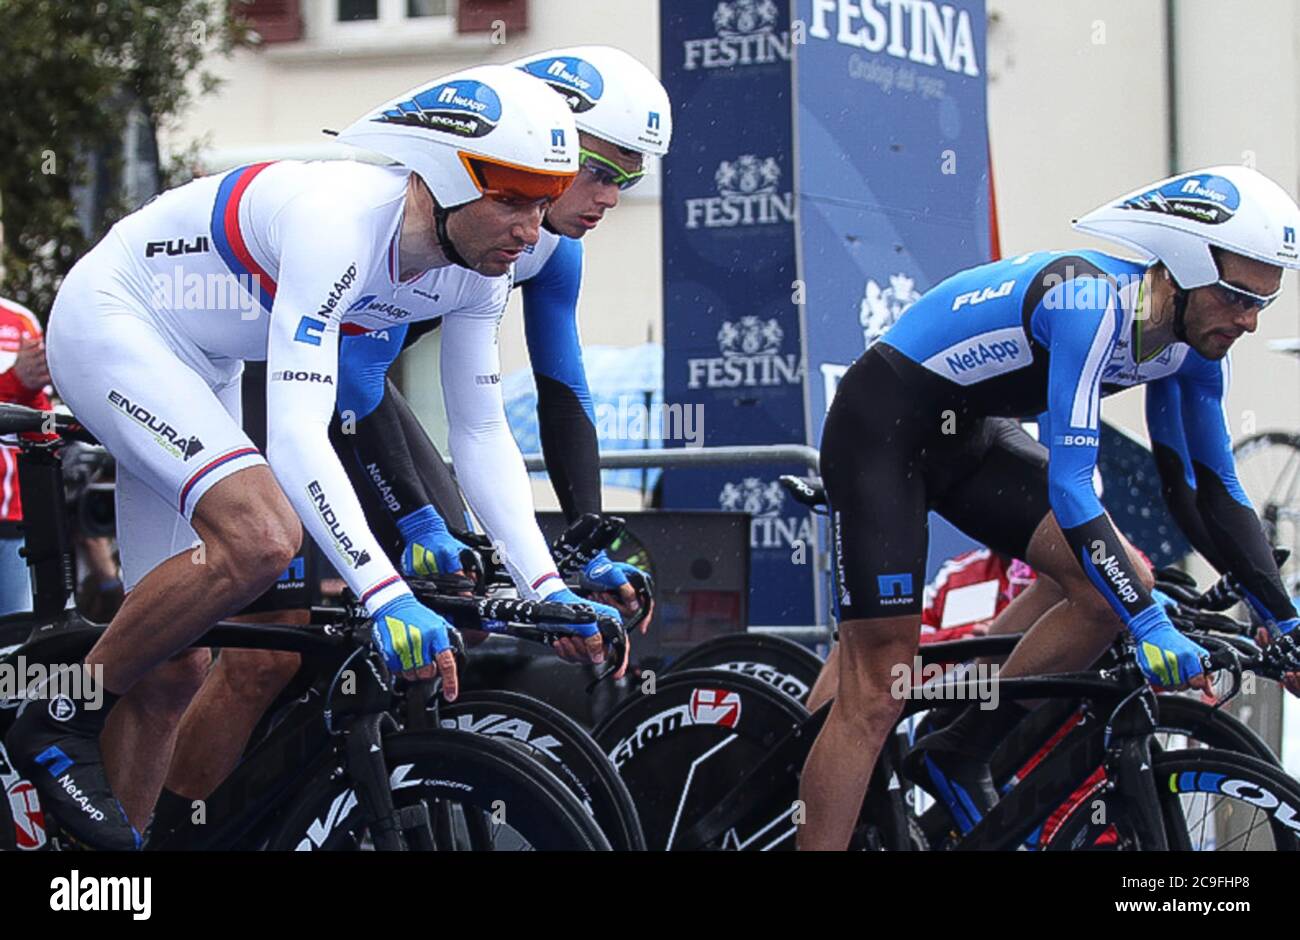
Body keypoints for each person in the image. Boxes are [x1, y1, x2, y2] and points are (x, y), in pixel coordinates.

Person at [4, 65, 622, 851]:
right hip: (117, 323)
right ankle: (62, 709)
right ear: (439, 176)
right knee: (260, 537)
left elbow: (479, 430)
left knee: (173, 670)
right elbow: (298, 432)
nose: (531, 229)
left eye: (544, 200)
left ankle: (104, 883)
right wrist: (383, 591)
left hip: (208, 364)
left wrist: (544, 586)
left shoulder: (480, 265)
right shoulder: (341, 222)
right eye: (510, 197)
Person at [153, 46, 672, 828]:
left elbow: (561, 394)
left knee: (451, 594)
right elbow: (354, 379)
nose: (607, 196)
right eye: (600, 170)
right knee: (268, 653)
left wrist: (585, 536)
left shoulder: (549, 253)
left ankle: (353, 792)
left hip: (367, 405)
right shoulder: (416, 211)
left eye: (626, 179)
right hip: (300, 389)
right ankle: (171, 827)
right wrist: (422, 522)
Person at [798, 165, 1300, 850]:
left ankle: (960, 745)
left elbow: (1204, 491)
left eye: (1262, 306)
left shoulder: (1196, 347)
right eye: (1238, 297)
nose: (1247, 321)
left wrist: (1282, 618)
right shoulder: (1089, 303)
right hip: (883, 430)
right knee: (879, 691)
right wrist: (1148, 625)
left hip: (972, 432)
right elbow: (1072, 489)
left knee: (1114, 589)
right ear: (1183, 265)